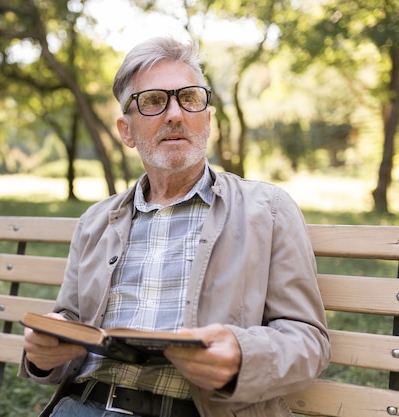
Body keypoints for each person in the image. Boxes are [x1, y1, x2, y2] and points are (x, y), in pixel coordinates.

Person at [18, 36, 330, 417]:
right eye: (152, 101)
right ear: (126, 130)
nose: (175, 115)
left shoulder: (268, 210)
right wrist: (45, 352)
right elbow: (66, 324)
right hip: (85, 406)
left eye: (190, 98)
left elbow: (309, 341)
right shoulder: (96, 222)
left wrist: (241, 356)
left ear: (208, 119)